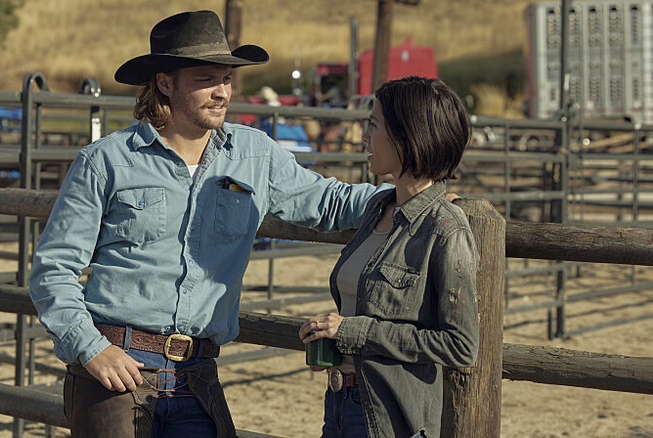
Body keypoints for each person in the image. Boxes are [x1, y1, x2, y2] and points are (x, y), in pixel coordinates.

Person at [29, 10, 388, 438]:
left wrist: (411, 197)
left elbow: (329, 201)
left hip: (197, 375)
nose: (222, 92)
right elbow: (53, 271)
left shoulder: (255, 155)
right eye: (206, 78)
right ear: (165, 82)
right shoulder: (105, 162)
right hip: (116, 371)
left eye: (227, 79)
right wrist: (91, 350)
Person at [299, 76, 480, 438]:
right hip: (340, 402)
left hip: (389, 420)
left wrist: (351, 331)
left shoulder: (446, 230)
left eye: (375, 125)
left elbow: (461, 346)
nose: (365, 136)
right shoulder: (377, 209)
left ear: (408, 136)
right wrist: (331, 339)